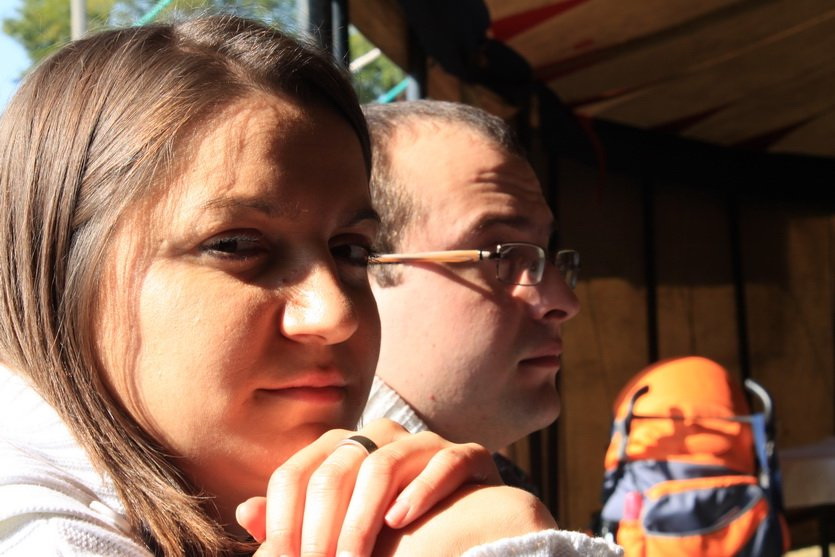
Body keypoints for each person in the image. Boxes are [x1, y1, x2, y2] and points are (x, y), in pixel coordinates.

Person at [0, 14, 621, 557]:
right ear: (56, 270)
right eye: (237, 245)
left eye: (351, 250)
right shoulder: (37, 529)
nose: (336, 313)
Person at [361, 100, 581, 489]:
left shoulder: (497, 486)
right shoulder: (294, 511)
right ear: (358, 272)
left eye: (546, 253)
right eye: (500, 254)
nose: (564, 302)